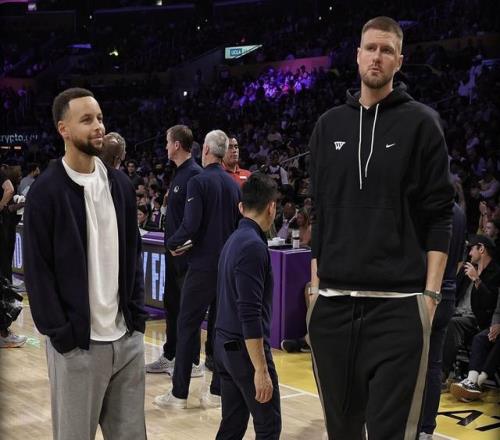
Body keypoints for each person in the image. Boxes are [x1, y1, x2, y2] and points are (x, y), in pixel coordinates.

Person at [307, 17, 454, 440]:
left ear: (399, 61)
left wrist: (430, 297)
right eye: (370, 48)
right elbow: (320, 212)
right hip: (334, 305)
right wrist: (316, 287)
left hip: (398, 306)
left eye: (387, 50)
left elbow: (440, 214)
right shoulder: (328, 125)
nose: (377, 57)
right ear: (357, 56)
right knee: (341, 433)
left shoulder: (422, 123)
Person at [23, 87, 148, 440]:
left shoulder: (120, 185)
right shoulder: (46, 192)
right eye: (87, 119)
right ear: (63, 129)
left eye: (100, 118)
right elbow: (38, 273)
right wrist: (62, 335)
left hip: (126, 340)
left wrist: (136, 321)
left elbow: (134, 255)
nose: (99, 126)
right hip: (78, 345)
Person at [154, 129, 241, 409]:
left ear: (205, 150)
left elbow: (190, 225)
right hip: (226, 267)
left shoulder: (198, 181)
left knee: (187, 325)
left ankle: (179, 394)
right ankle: (216, 392)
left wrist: (172, 243)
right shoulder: (233, 185)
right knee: (219, 328)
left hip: (202, 266)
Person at [215, 173, 281, 439]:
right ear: (271, 207)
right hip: (243, 350)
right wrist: (261, 370)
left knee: (232, 424)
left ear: (242, 207)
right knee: (268, 426)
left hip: (224, 344)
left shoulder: (233, 239)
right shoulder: (253, 246)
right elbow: (250, 313)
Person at [145, 125, 203, 377]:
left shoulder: (194, 174)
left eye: (168, 142)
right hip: (173, 254)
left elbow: (197, 220)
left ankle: (192, 362)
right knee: (172, 305)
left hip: (186, 256)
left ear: (177, 145)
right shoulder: (178, 173)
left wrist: (183, 244)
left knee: (187, 309)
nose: (166, 147)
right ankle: (170, 354)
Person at [419, 202, 467, 439]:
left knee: (410, 364)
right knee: (434, 366)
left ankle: (409, 426)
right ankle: (427, 429)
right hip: (447, 293)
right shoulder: (459, 212)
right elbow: (459, 262)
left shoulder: (429, 207)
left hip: (424, 293)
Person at [442, 235, 500, 381]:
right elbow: (454, 291)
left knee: (453, 324)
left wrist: (477, 280)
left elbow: (491, 303)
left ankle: (442, 373)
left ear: (481, 249)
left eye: (472, 249)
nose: (469, 253)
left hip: (478, 320)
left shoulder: (496, 273)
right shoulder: (467, 268)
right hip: (457, 313)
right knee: (438, 320)